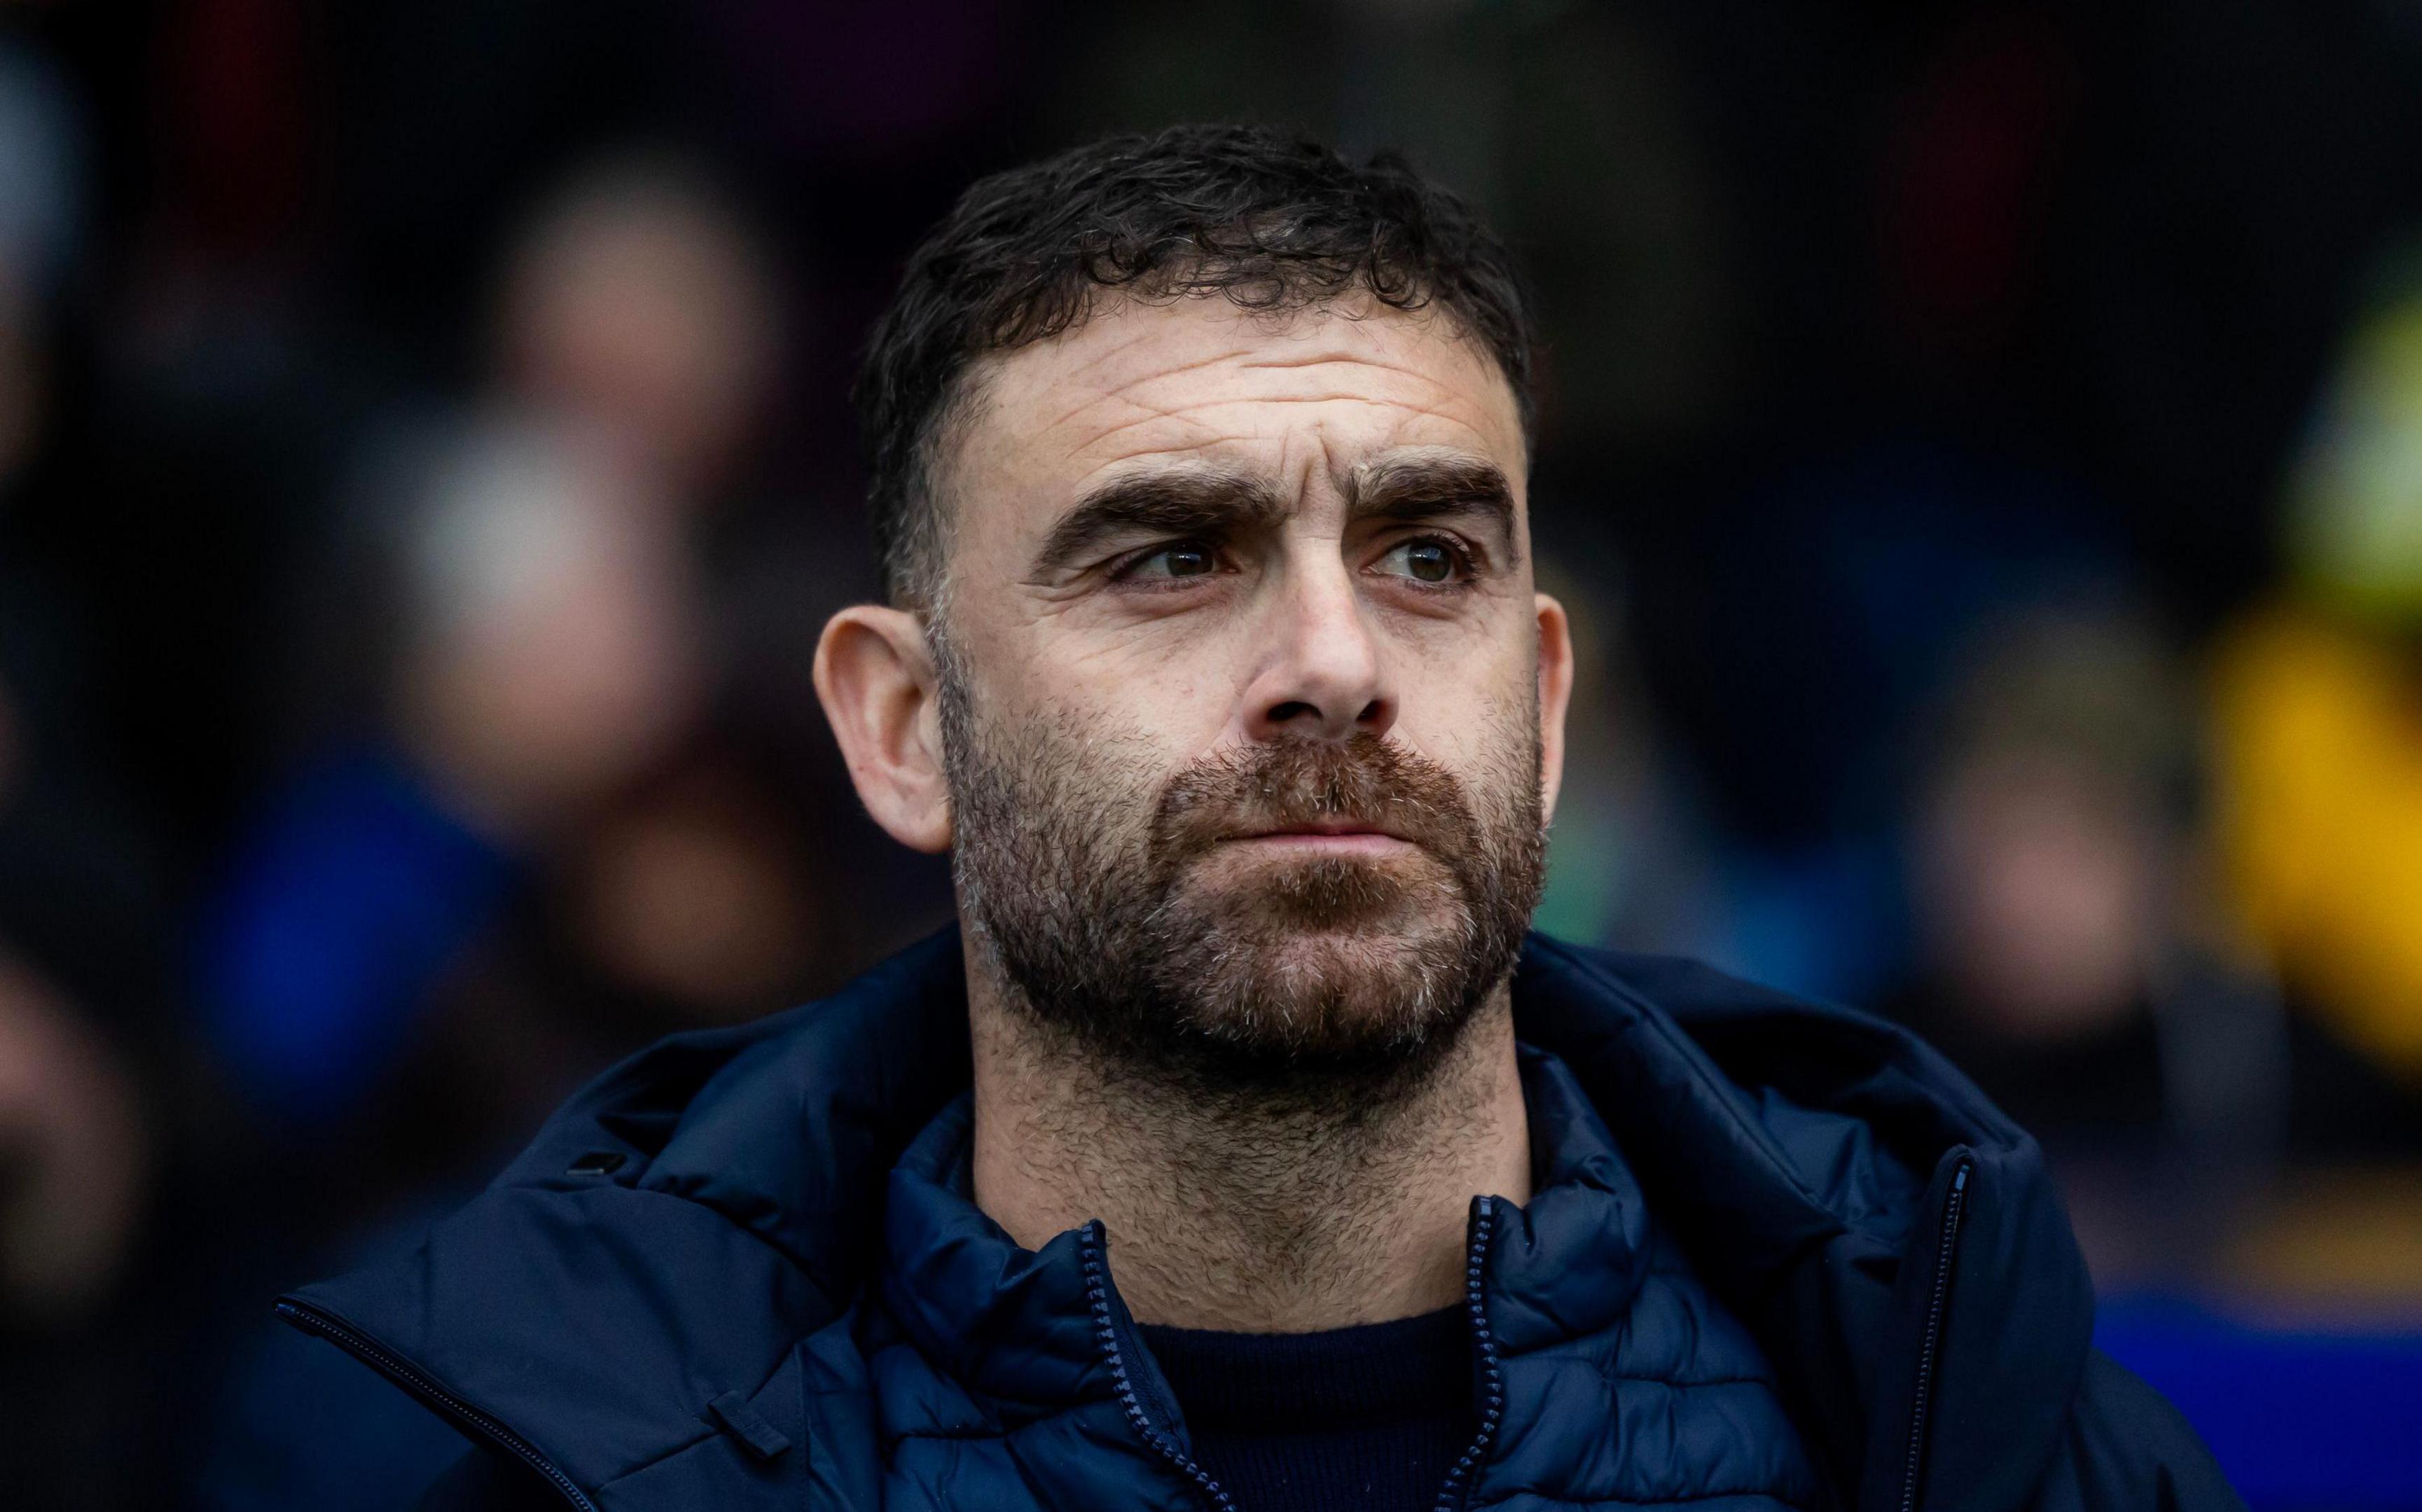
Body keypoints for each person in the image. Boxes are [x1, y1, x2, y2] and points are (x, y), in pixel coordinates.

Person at [279, 123, 2238, 1512]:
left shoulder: (1977, 1441)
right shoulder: (568, 1469)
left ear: (1546, 708)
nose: (1333, 658)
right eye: (1169, 557)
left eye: (1430, 555)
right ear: (905, 731)